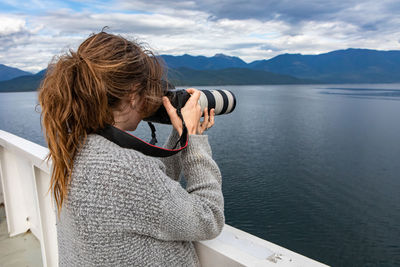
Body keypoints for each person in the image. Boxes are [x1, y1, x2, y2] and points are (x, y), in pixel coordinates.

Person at [38, 30, 224, 266]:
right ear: (134, 95)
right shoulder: (124, 169)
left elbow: (153, 191)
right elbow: (208, 218)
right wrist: (195, 141)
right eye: (148, 90)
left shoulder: (76, 144)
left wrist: (181, 133)